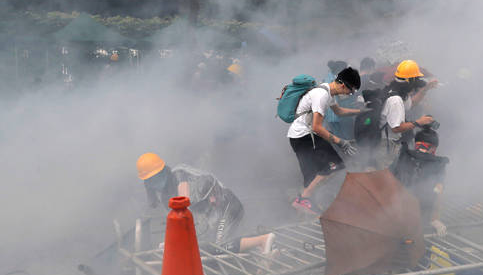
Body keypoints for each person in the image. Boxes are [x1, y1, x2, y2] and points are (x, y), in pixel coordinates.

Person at [136, 152, 274, 253]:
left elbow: (183, 205)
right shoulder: (165, 197)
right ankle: (265, 248)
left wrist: (174, 242)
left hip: (227, 206)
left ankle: (262, 240)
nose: (155, 182)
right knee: (208, 246)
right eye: (150, 180)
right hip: (212, 217)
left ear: (164, 170)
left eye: (157, 176)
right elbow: (178, 222)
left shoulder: (179, 173)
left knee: (218, 247)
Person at [288, 67, 363, 213]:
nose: (350, 94)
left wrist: (361, 111)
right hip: (304, 136)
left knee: (313, 175)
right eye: (351, 90)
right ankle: (303, 199)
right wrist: (341, 142)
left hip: (304, 136)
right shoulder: (322, 96)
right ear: (343, 85)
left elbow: (339, 111)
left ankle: (305, 203)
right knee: (333, 166)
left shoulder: (329, 93)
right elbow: (317, 127)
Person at [377, 59, 437, 168]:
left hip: (389, 143)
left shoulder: (396, 92)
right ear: (410, 81)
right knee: (386, 176)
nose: (415, 87)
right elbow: (396, 128)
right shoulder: (395, 100)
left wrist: (424, 90)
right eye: (415, 82)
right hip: (386, 145)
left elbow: (411, 103)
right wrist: (419, 122)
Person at [391, 127, 448, 236]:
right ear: (433, 149)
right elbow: (438, 191)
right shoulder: (438, 164)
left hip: (394, 213)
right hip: (418, 217)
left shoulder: (403, 156)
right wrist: (434, 220)